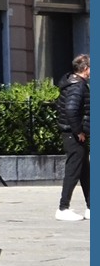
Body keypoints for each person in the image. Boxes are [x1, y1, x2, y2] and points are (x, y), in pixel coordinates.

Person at [55, 54, 90, 221]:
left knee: (84, 172)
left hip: (72, 133)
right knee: (73, 171)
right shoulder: (78, 86)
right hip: (74, 135)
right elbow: (71, 109)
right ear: (85, 68)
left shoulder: (70, 83)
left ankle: (91, 207)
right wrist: (78, 131)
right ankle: (63, 208)